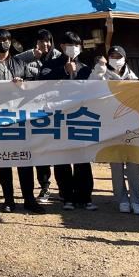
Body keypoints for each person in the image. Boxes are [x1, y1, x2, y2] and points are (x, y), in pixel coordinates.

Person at [0, 30, 44, 214]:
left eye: (5, 39)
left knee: (25, 160)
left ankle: (29, 199)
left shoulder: (20, 63)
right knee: (4, 160)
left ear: (10, 42)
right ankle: (9, 200)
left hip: (20, 118)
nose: (2, 43)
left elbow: (33, 83)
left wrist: (23, 84)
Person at [39, 31, 96, 211]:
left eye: (77, 45)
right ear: (63, 46)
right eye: (71, 45)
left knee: (82, 160)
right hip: (59, 118)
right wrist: (64, 70)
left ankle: (85, 197)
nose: (75, 48)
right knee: (62, 159)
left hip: (80, 118)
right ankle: (67, 196)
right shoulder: (51, 64)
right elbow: (41, 80)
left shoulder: (85, 68)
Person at [87, 45, 139, 214]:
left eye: (119, 56)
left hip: (131, 126)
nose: (115, 59)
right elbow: (90, 87)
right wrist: (99, 68)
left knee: (134, 163)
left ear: (125, 58)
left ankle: (136, 200)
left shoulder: (132, 77)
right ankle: (122, 200)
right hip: (111, 126)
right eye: (112, 55)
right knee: (116, 165)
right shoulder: (102, 74)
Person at [16, 28, 60, 203]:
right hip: (32, 110)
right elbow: (13, 62)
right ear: (36, 42)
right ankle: (43, 187)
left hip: (54, 110)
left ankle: (61, 189)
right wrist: (30, 56)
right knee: (37, 149)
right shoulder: (29, 58)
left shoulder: (58, 56)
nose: (45, 44)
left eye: (48, 41)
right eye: (42, 41)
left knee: (55, 150)